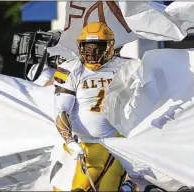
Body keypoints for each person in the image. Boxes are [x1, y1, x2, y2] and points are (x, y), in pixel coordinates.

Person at [52, 22, 141, 191]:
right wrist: (70, 141)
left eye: (97, 47)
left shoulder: (126, 67)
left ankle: (129, 185)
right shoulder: (72, 69)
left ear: (109, 47)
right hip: (84, 146)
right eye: (87, 47)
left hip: (116, 143)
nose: (91, 52)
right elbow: (61, 111)